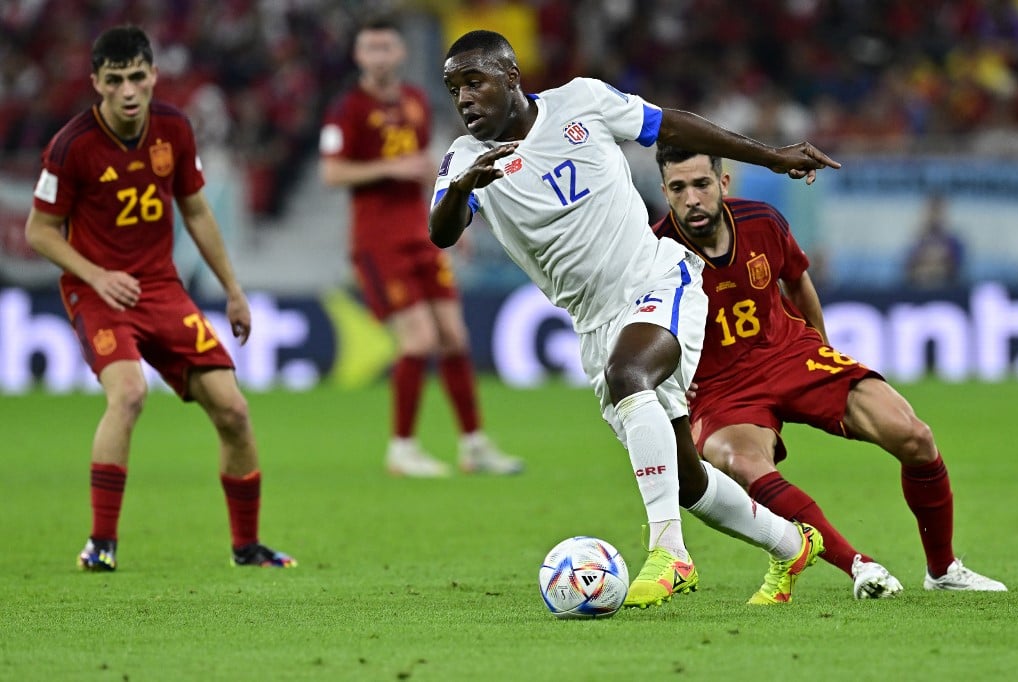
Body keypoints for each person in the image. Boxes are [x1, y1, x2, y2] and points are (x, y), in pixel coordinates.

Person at [430, 30, 840, 607]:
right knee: (687, 477)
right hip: (594, 323)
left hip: (656, 280)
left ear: (512, 76)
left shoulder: (581, 102)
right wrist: (462, 191)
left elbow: (669, 126)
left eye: (474, 81)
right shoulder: (466, 160)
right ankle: (791, 544)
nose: (465, 98)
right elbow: (440, 232)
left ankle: (669, 553)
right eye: (454, 89)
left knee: (631, 376)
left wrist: (771, 156)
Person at [650, 146, 1006, 596]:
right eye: (678, 189)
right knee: (742, 462)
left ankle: (943, 571)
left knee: (914, 436)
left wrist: (820, 345)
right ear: (665, 192)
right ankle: (858, 565)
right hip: (719, 388)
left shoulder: (763, 221)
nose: (691, 199)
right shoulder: (652, 252)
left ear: (723, 184)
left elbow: (796, 281)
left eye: (701, 184)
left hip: (788, 353)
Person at [24, 26, 295, 571]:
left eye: (137, 77)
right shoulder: (71, 145)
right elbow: (39, 230)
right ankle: (101, 545)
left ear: (153, 76)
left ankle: (247, 547)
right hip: (98, 292)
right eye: (115, 80)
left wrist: (234, 291)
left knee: (235, 411)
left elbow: (195, 210)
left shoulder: (174, 128)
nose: (129, 90)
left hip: (162, 290)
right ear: (97, 83)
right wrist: (97, 276)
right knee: (128, 395)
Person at [319, 18, 521, 478]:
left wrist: (459, 224)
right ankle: (402, 448)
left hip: (422, 235)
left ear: (400, 53)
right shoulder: (346, 110)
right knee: (420, 338)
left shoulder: (415, 102)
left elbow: (430, 168)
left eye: (386, 47)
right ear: (358, 56)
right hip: (378, 242)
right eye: (370, 49)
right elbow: (331, 174)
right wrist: (392, 166)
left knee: (454, 337)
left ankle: (474, 445)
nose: (378, 57)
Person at [903, 194, 966, 290]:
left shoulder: (954, 243)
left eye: (938, 211)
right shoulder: (916, 242)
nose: (934, 216)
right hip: (919, 292)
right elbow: (908, 271)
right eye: (931, 211)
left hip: (947, 293)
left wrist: (934, 267)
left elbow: (956, 271)